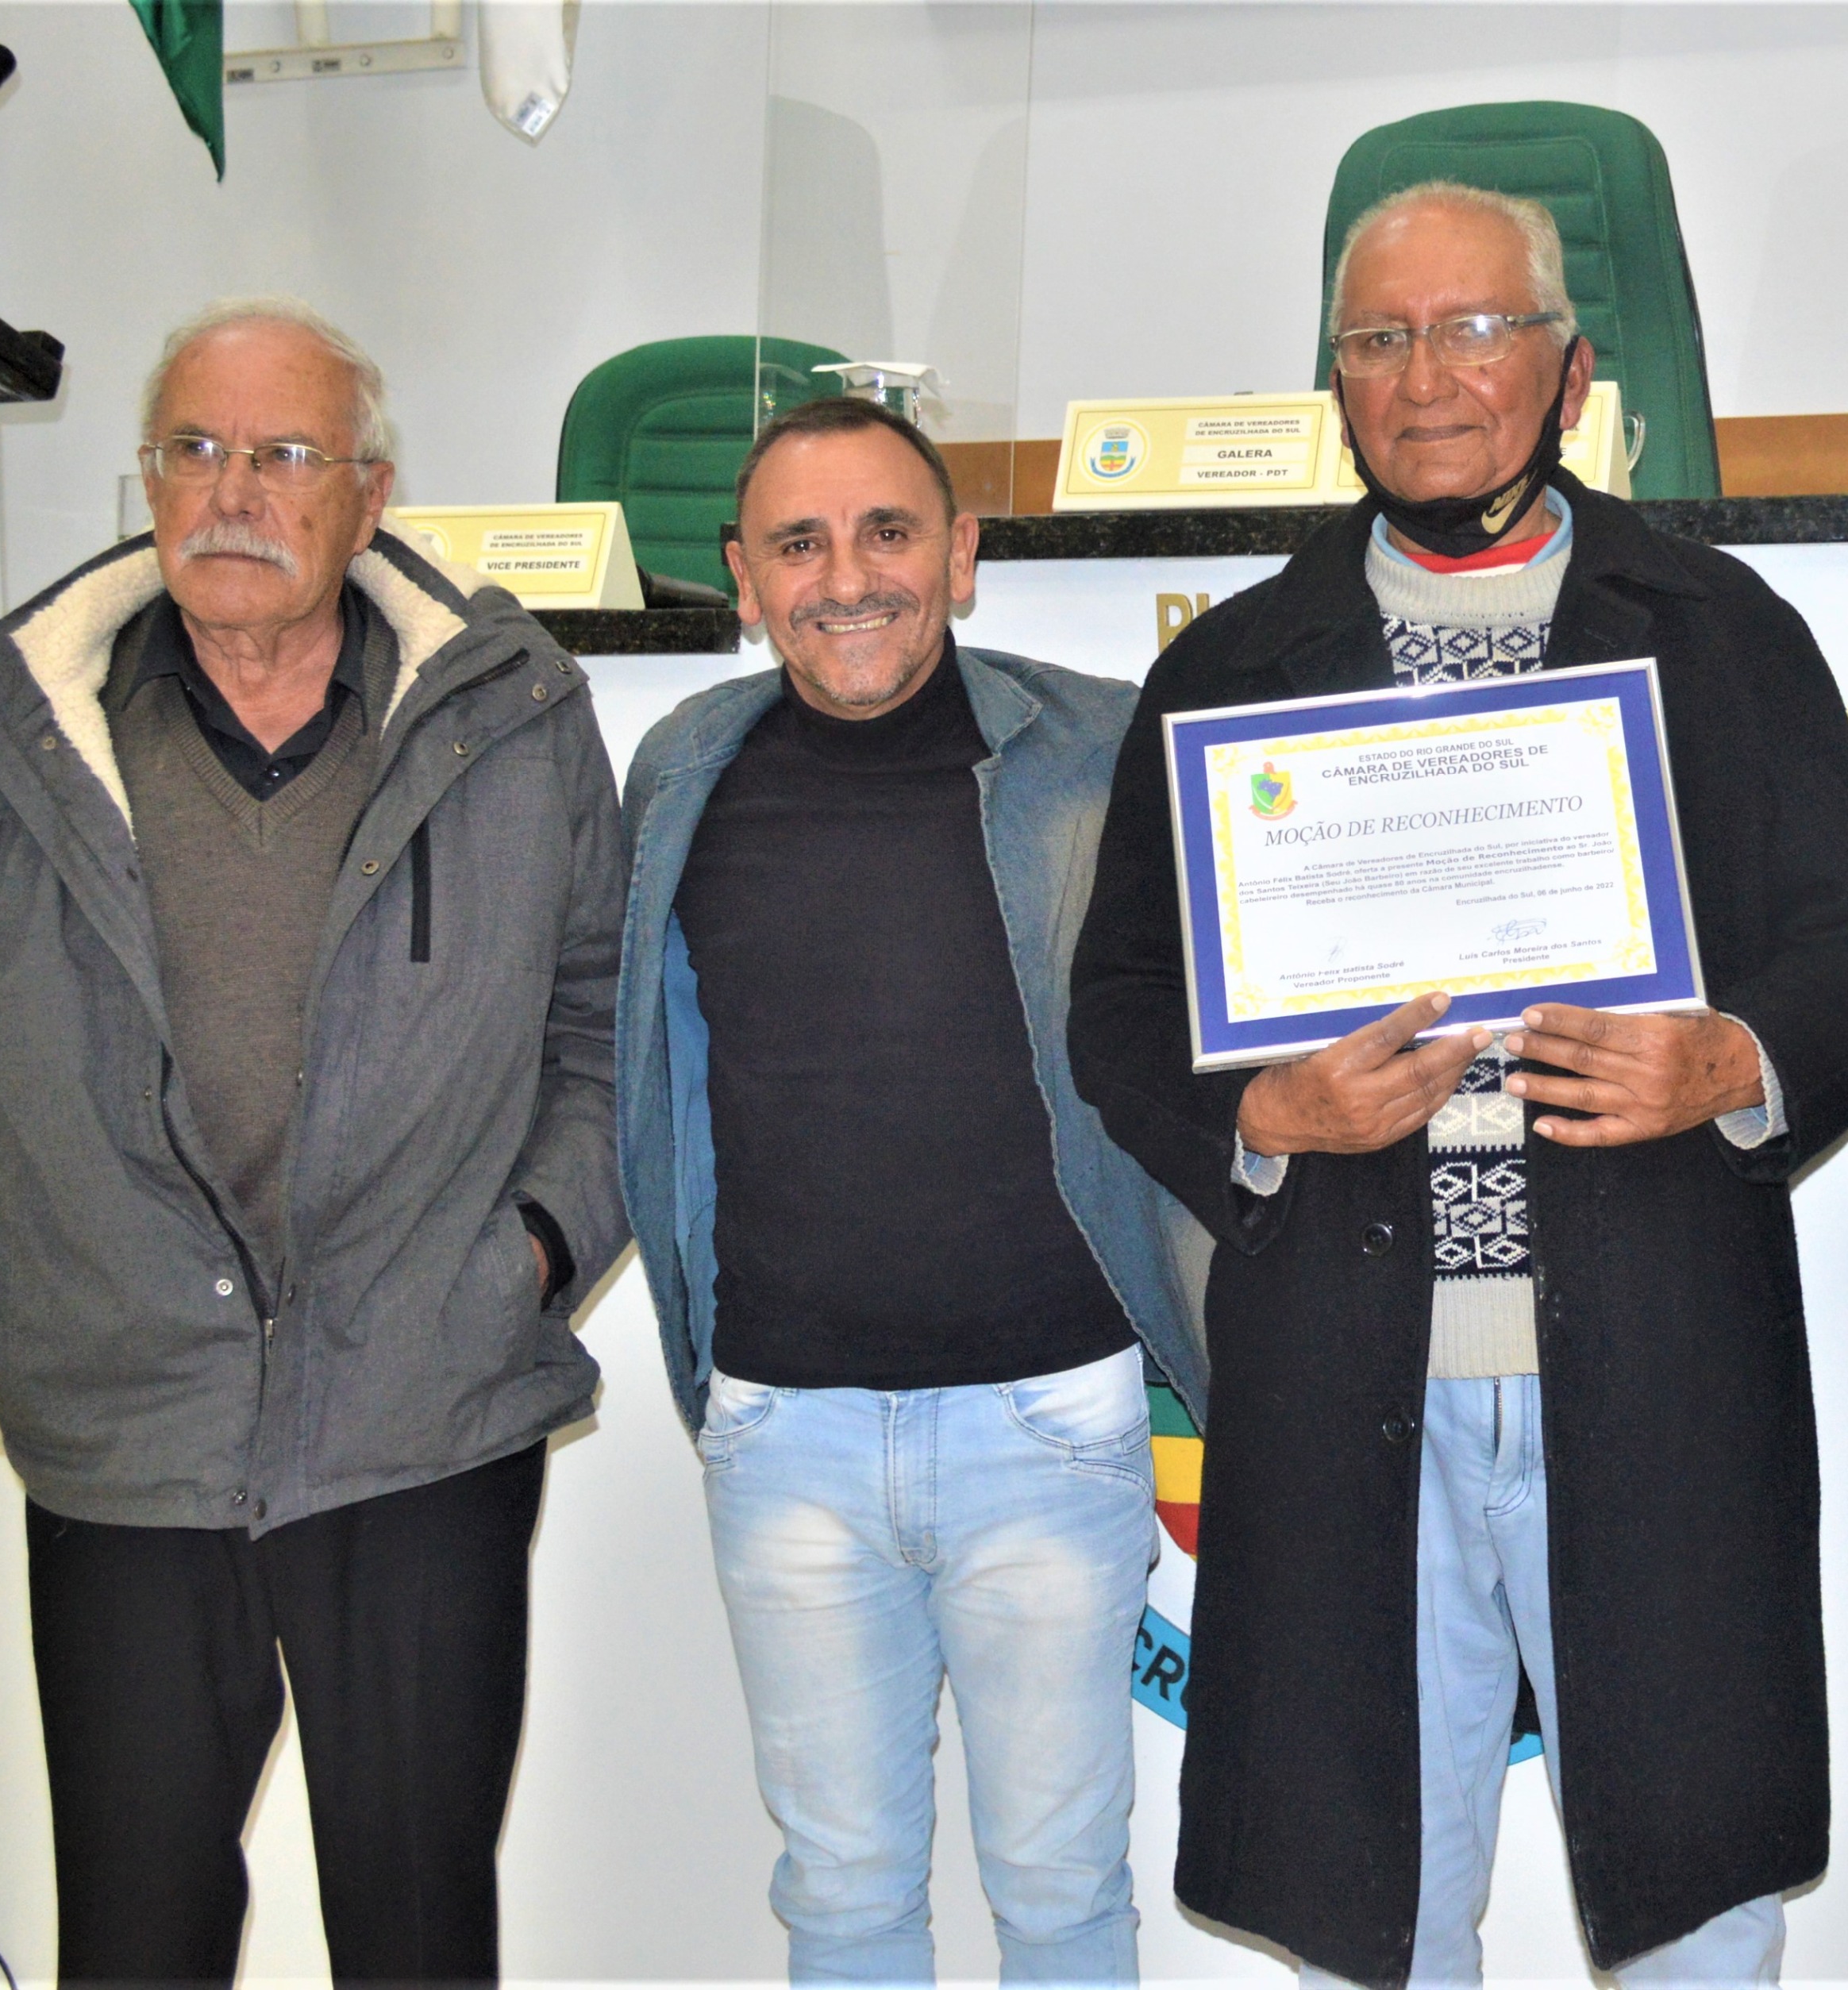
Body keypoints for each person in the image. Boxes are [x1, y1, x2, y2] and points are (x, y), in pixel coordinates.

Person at [1066, 183, 1848, 1989]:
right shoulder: (1227, 670)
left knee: (1696, 1918)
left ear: (1568, 371)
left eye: (1472, 330)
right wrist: (1265, 1118)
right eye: (1380, 339)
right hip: (1346, 1380)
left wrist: (1732, 1059)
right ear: (1337, 384)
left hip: (1655, 1359)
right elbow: (1121, 1007)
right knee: (1377, 1921)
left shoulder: (1720, 632)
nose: (1426, 376)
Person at [0, 296, 627, 1984]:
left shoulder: (512, 719)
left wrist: (531, 1250)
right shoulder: (14, 737)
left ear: (370, 495)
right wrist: (83, 1223)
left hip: (419, 1418)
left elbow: (605, 1031)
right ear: (146, 480)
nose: (232, 492)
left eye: (284, 454)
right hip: (131, 1433)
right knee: (137, 1943)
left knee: (419, 1939)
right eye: (192, 449)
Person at [614, 391, 1210, 1985]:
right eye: (798, 544)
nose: (846, 577)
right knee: (842, 1898)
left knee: (1061, 1893)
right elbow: (627, 1062)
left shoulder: (1101, 752)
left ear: (959, 554)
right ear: (744, 577)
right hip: (782, 1437)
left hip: (1051, 1426)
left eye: (887, 532)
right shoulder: (681, 771)